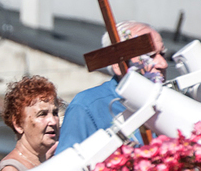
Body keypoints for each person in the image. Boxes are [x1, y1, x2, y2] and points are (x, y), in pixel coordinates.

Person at [57, 21, 167, 154]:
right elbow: (68, 162)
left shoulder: (171, 100)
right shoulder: (86, 106)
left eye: (162, 54)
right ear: (117, 65)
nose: (163, 64)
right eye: (150, 56)